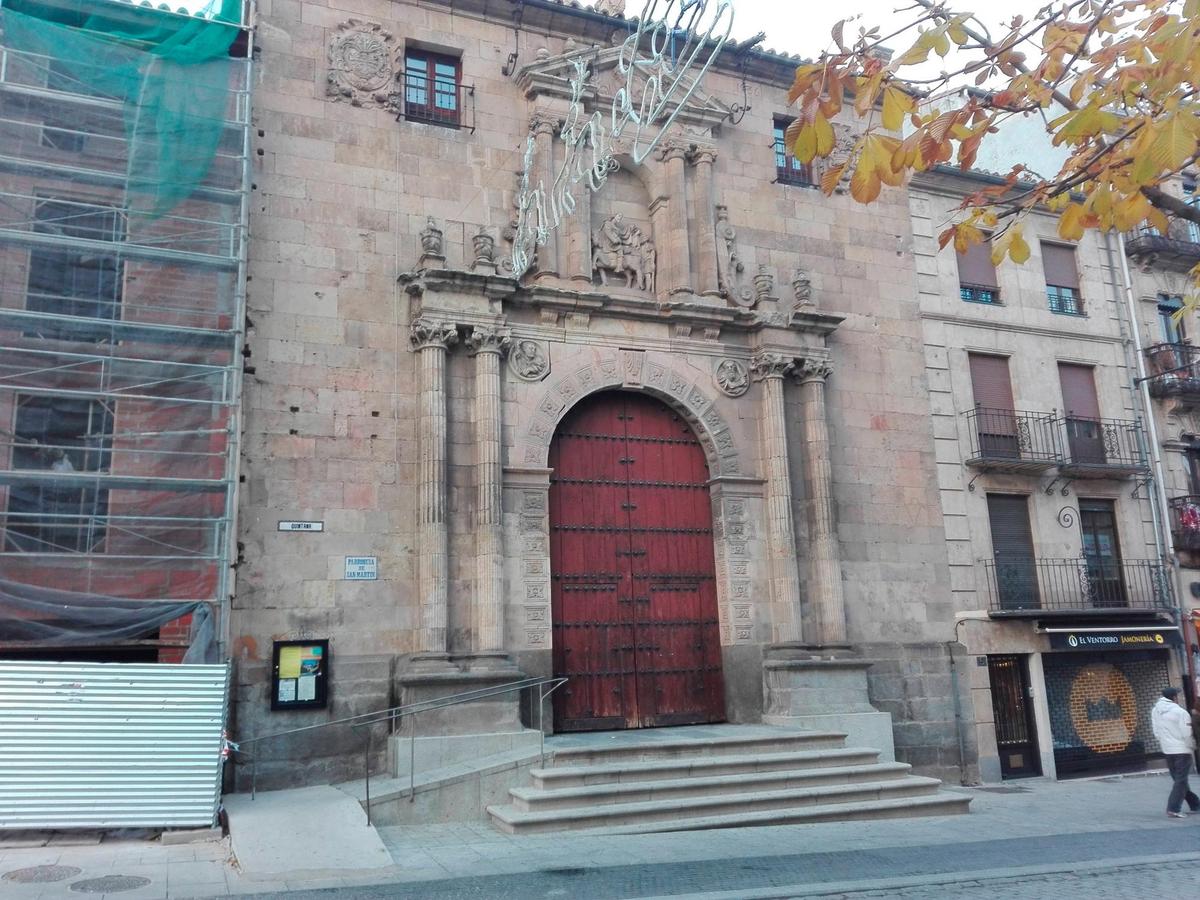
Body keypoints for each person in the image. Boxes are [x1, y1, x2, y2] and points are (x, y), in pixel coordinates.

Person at [1151, 686, 1200, 818]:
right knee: (1181, 780)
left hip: (1168, 750)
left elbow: (1156, 732)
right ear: (1174, 697)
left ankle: (1195, 803)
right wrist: (1192, 747)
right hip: (1182, 750)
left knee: (1179, 779)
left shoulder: (1156, 710)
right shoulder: (1180, 712)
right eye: (1177, 695)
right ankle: (1173, 808)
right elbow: (1187, 734)